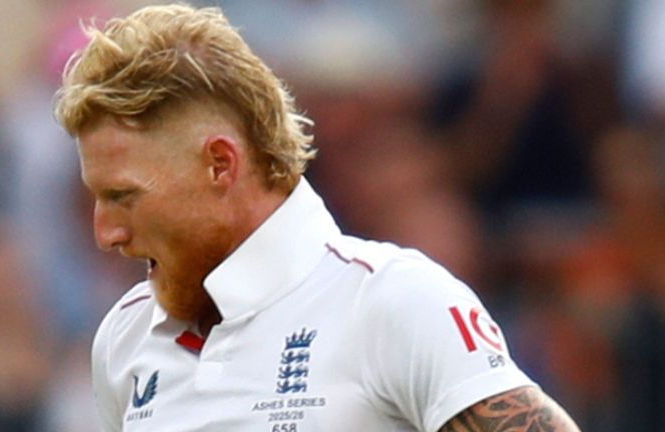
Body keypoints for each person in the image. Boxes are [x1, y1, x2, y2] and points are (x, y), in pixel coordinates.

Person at [54, 4, 581, 431]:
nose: (106, 234)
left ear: (221, 164)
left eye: (124, 196)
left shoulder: (393, 302)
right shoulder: (124, 338)